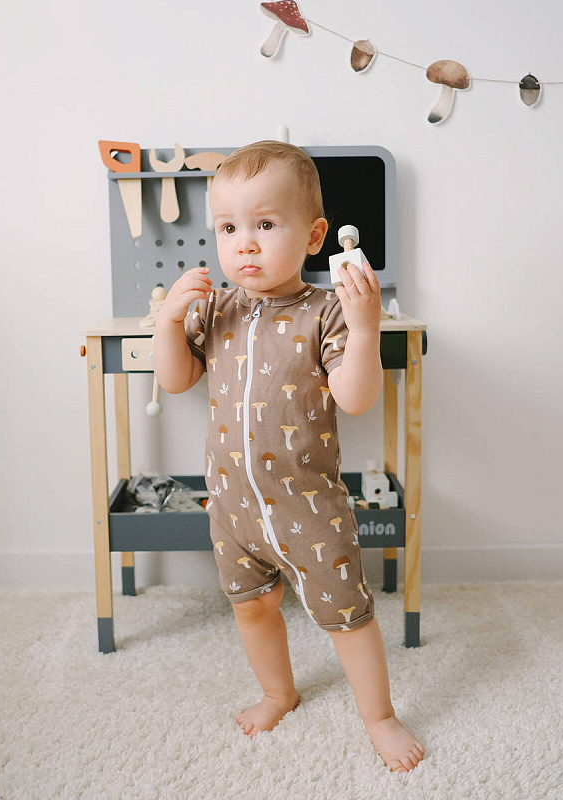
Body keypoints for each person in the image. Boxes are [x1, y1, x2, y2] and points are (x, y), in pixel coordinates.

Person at [153, 141, 425, 773]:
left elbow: (355, 398)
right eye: (228, 228)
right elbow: (175, 380)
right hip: (233, 509)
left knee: (347, 616)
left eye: (266, 224)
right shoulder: (215, 309)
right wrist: (167, 323)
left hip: (309, 510)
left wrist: (365, 328)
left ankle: (379, 716)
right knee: (251, 606)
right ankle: (279, 691)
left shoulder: (325, 313)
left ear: (314, 236)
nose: (244, 244)